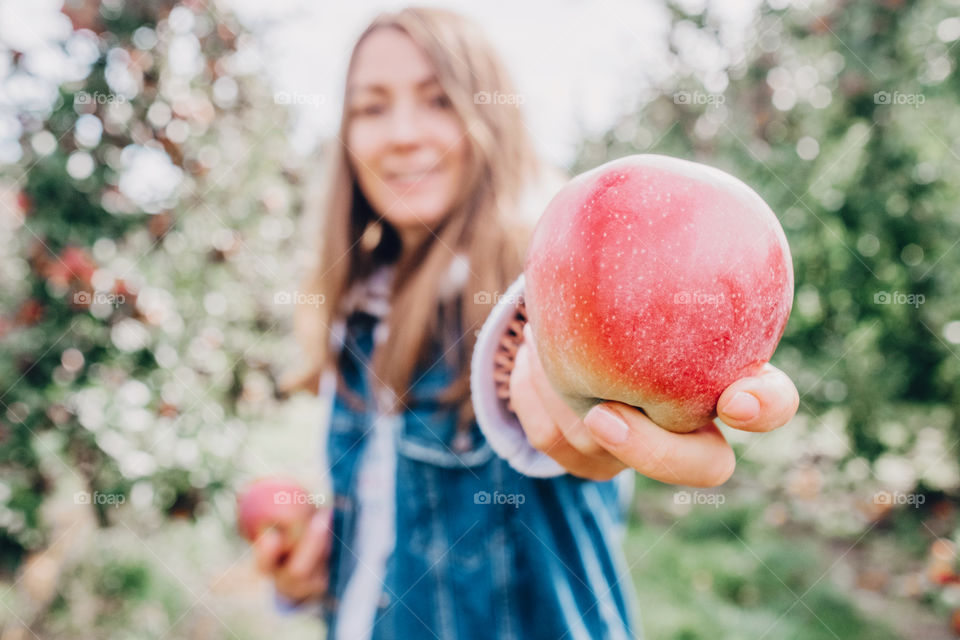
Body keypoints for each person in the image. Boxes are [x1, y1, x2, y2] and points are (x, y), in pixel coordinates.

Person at [253, 7, 800, 639]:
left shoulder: (542, 290)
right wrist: (315, 582)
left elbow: (549, 380)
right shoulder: (356, 315)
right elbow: (389, 541)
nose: (402, 133)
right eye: (371, 107)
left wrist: (577, 405)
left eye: (438, 100)